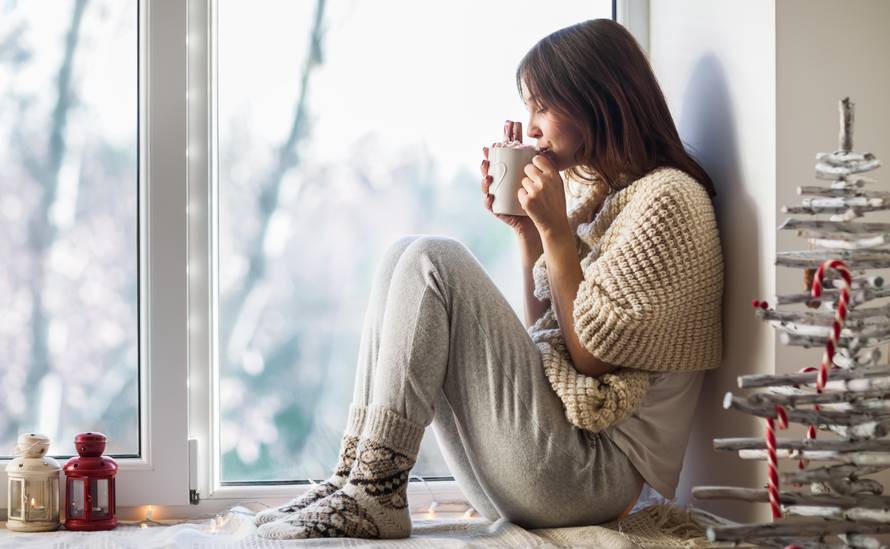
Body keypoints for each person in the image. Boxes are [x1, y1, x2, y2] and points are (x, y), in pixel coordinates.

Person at [255, 18, 723, 540]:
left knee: (436, 258)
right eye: (529, 108)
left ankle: (375, 492)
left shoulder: (669, 200)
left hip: (597, 477)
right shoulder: (608, 201)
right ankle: (358, 477)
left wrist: (556, 232)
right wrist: (529, 232)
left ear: (599, 99)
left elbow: (592, 357)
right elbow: (553, 334)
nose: (533, 125)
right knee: (400, 256)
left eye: (543, 105)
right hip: (554, 471)